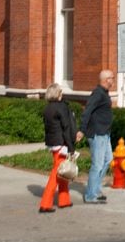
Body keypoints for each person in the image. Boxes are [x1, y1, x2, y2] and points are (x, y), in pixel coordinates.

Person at [39, 83, 77, 213]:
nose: (62, 94)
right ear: (58, 94)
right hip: (61, 143)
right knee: (57, 173)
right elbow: (66, 128)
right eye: (61, 92)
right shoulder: (62, 107)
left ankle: (64, 200)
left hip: (52, 143)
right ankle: (45, 203)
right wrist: (71, 147)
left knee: (62, 171)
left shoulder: (47, 108)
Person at [78, 70, 114, 205]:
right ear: (105, 79)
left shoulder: (104, 93)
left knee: (108, 159)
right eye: (112, 78)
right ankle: (90, 195)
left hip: (105, 134)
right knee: (97, 164)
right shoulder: (97, 93)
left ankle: (96, 189)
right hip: (97, 134)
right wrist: (82, 130)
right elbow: (87, 111)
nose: (113, 80)